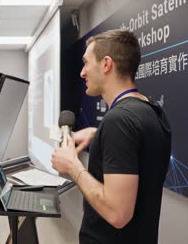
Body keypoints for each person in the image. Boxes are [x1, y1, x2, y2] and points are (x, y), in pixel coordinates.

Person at [51, 30, 172, 244]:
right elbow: (140, 148)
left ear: (106, 64)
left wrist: (73, 166)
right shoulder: (151, 110)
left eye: (86, 63)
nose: (82, 73)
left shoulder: (119, 121)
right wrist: (98, 135)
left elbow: (118, 214)